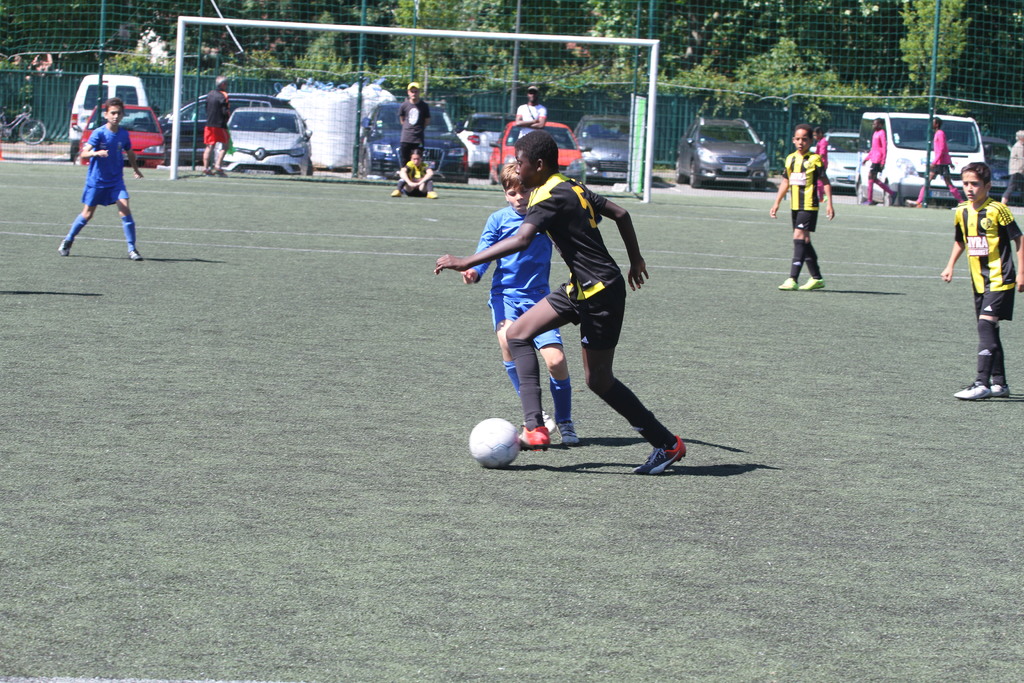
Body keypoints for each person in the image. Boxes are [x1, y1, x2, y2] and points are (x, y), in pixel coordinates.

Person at [435, 131, 685, 475]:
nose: (517, 169)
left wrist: (466, 260)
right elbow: (621, 214)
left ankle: (667, 443)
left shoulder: (548, 196)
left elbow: (522, 239)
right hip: (581, 288)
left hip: (601, 294)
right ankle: (535, 426)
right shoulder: (570, 185)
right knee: (517, 334)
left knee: (599, 380)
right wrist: (635, 259)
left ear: (538, 165)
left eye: (520, 163)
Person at [461, 163, 579, 445]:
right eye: (512, 193)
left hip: (539, 299)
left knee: (556, 360)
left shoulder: (545, 218)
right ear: (505, 194)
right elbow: (485, 251)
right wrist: (474, 270)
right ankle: (536, 415)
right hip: (505, 297)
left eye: (524, 191)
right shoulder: (497, 220)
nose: (519, 197)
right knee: (507, 340)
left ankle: (565, 420)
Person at [940, 162, 1024, 400]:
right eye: (965, 183)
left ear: (987, 186)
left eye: (975, 184)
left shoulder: (998, 210)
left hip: (1000, 278)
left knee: (985, 326)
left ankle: (981, 383)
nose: (969, 188)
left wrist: (1021, 273)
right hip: (978, 281)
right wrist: (950, 265)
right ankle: (1000, 383)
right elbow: (961, 241)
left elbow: (1019, 239)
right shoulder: (961, 211)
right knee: (991, 329)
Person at [58, 97, 144, 261]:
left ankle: (132, 249)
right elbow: (83, 153)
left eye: (119, 113)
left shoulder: (123, 134)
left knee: (125, 209)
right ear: (106, 115)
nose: (116, 116)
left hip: (116, 181)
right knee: (87, 214)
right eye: (113, 113)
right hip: (97, 181)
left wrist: (136, 169)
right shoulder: (99, 133)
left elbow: (130, 152)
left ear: (123, 115)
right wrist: (96, 153)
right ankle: (68, 240)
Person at [770, 123, 835, 291]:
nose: (801, 142)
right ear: (793, 140)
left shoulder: (815, 159)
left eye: (804, 139)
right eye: (798, 139)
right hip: (795, 205)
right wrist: (777, 203)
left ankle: (793, 279)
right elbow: (785, 181)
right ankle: (817, 278)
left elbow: (825, 182)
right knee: (804, 241)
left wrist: (829, 203)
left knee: (798, 237)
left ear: (811, 141)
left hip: (809, 205)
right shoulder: (790, 159)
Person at [908, 118, 965, 207]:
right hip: (938, 163)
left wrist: (935, 162)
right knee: (927, 181)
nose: (930, 124)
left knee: (948, 183)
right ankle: (918, 201)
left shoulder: (940, 133)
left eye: (932, 123)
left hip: (941, 164)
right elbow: (944, 149)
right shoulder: (937, 133)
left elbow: (942, 149)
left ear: (937, 124)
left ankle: (961, 202)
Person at [862, 117, 896, 205]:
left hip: (878, 159)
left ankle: (870, 200)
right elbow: (873, 148)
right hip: (874, 158)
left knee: (871, 177)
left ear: (880, 125)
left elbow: (884, 148)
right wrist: (867, 158)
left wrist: (882, 161)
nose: (873, 125)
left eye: (875, 124)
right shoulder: (875, 133)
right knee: (872, 179)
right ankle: (892, 193)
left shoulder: (882, 133)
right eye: (873, 124)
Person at [398, 82, 430, 167]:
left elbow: (427, 120)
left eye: (416, 91)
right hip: (406, 138)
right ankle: (404, 175)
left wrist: (419, 129)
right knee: (405, 162)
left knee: (417, 161)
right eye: (412, 91)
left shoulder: (424, 106)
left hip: (418, 139)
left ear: (419, 92)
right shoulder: (404, 105)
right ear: (408, 92)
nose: (414, 94)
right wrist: (408, 128)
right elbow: (402, 120)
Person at [203, 75, 230, 176]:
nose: (227, 86)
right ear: (223, 84)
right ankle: (218, 165)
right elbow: (225, 111)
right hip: (220, 125)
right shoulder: (224, 95)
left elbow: (206, 107)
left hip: (209, 124)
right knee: (226, 145)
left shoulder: (210, 94)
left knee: (209, 146)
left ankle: (206, 168)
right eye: (226, 84)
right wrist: (227, 120)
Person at [1001, 130, 1024, 207]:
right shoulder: (1019, 146)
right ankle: (1003, 202)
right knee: (1011, 187)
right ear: (1021, 138)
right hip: (1017, 170)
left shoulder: (1019, 145)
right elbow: (1021, 159)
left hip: (1018, 170)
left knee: (1021, 188)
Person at [813, 126, 828, 201]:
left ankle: (821, 197)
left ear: (820, 133)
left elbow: (822, 153)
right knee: (818, 180)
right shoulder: (820, 141)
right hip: (818, 162)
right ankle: (821, 196)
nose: (814, 137)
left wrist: (815, 159)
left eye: (815, 135)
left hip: (821, 163)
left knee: (820, 181)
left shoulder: (823, 141)